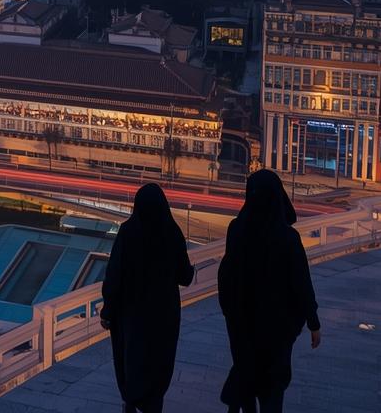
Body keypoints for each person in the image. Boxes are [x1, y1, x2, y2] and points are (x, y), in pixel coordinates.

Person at [218, 170, 321, 413]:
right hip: (277, 331)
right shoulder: (287, 238)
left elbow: (227, 276)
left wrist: (230, 313)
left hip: (242, 326)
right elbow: (301, 283)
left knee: (245, 378)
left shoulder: (237, 230)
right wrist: (313, 323)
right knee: (272, 391)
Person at [100, 183, 196, 413]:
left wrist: (108, 312)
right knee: (158, 363)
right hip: (164, 314)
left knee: (131, 360)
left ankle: (131, 402)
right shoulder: (172, 233)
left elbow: (114, 275)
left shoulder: (128, 232)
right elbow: (184, 276)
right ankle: (153, 405)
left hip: (131, 313)